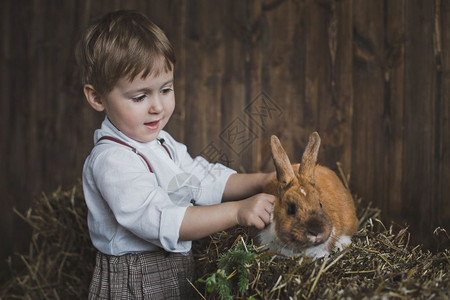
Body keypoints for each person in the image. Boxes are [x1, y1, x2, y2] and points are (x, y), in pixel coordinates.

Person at [76, 10, 276, 299]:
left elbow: (202, 179)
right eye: (140, 96)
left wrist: (261, 180)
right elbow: (161, 221)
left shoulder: (160, 142)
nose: (157, 106)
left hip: (176, 268)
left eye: (166, 89)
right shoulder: (112, 160)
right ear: (97, 98)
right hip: (136, 280)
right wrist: (237, 211)